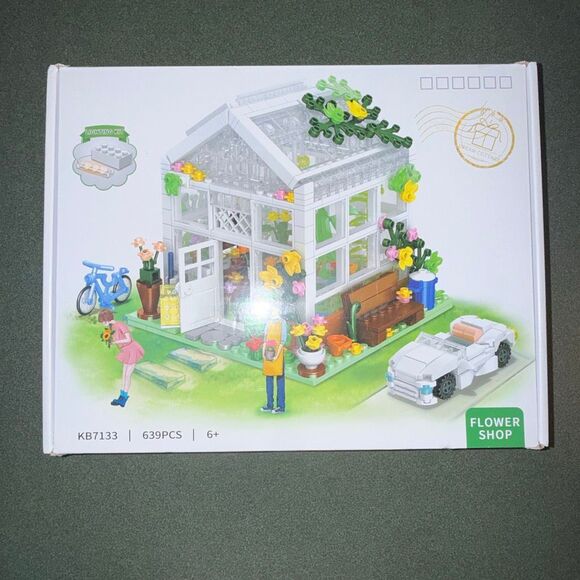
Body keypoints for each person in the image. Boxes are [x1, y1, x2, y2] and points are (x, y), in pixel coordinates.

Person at [98, 309, 144, 407]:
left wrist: (115, 342)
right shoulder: (111, 327)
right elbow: (113, 336)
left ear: (106, 320)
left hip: (132, 350)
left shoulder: (119, 325)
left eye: (103, 322)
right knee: (124, 375)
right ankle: (121, 396)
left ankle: (124, 398)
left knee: (127, 375)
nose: (103, 324)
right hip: (125, 351)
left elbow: (128, 339)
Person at [261, 308, 287, 414]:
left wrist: (277, 355)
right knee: (269, 381)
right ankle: (269, 405)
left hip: (278, 355)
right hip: (268, 354)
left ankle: (281, 406)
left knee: (280, 381)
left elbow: (282, 341)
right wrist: (263, 353)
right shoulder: (268, 322)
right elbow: (265, 339)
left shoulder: (282, 323)